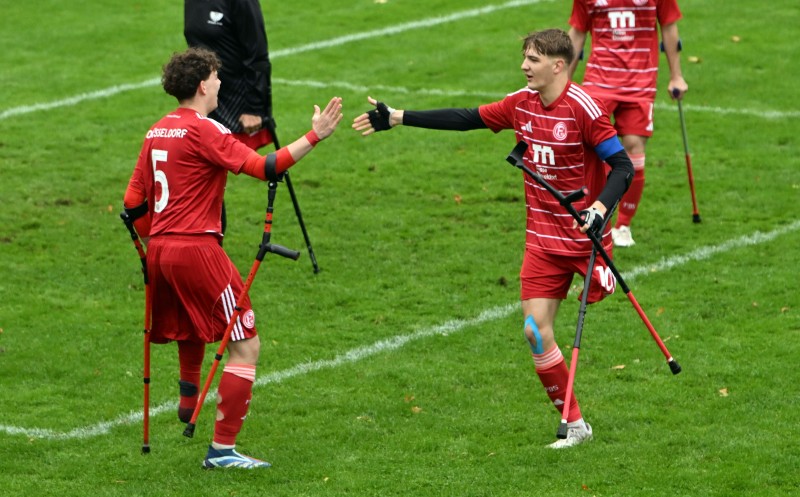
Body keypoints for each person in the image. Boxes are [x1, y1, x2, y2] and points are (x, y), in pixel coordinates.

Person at [353, 28, 633, 448]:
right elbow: (468, 118)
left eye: (533, 60)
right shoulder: (520, 104)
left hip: (583, 238)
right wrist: (398, 117)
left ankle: (575, 420)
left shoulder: (585, 110)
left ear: (558, 65)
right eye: (525, 58)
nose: (524, 66)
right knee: (535, 331)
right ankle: (575, 425)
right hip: (541, 240)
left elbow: (623, 167)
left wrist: (597, 209)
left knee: (563, 317)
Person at [123, 47, 343, 468]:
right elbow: (266, 167)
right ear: (202, 86)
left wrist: (156, 244)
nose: (221, 83)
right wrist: (315, 135)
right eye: (216, 77)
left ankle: (189, 396)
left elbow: (133, 201)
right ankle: (222, 451)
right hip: (197, 250)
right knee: (246, 344)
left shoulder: (156, 131)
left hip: (160, 251)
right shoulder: (207, 130)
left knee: (191, 318)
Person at [568, 0, 688, 247]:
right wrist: (562, 81)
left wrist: (676, 76)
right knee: (591, 150)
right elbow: (577, 33)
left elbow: (669, 27)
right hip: (599, 81)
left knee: (634, 148)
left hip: (640, 82)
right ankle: (590, 216)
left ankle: (622, 225)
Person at [184, 0, 275, 238]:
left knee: (216, 170)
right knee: (202, 173)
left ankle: (210, 242)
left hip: (237, 97)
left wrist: (255, 106)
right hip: (204, 95)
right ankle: (208, 241)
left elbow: (257, 53)